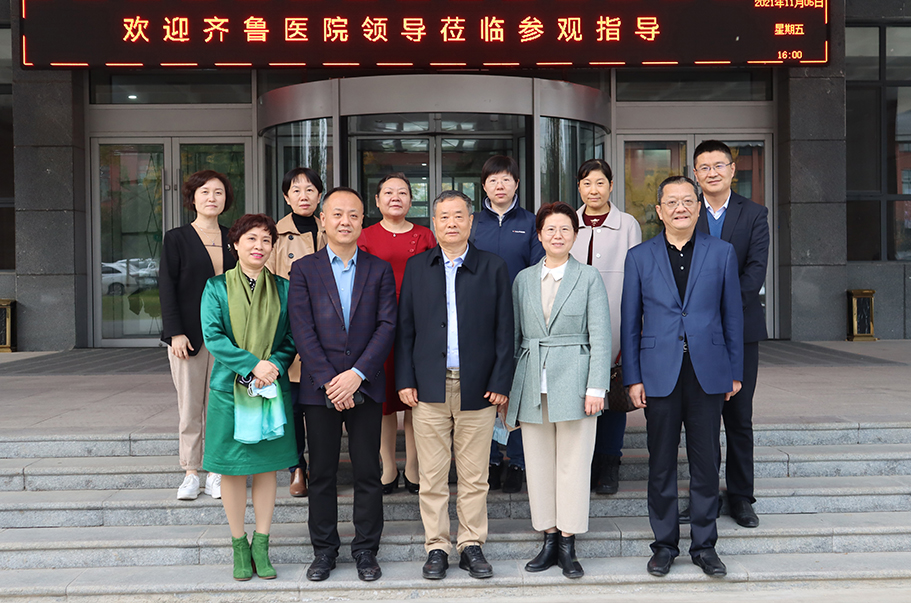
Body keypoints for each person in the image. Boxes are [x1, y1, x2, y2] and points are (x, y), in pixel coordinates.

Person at [621, 175, 743, 578]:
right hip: (659, 373)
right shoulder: (639, 257)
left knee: (707, 462)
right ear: (659, 210)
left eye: (688, 201)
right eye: (671, 202)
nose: (680, 208)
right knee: (661, 463)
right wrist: (633, 378)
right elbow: (630, 323)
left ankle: (705, 546)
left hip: (708, 372)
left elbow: (732, 316)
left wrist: (735, 371)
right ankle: (664, 545)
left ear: (698, 206)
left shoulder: (721, 252)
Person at [396, 189, 514, 581]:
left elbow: (505, 330)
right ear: (434, 223)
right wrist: (405, 379)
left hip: (477, 387)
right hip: (428, 387)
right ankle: (436, 546)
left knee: (474, 475)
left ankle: (471, 544)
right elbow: (405, 330)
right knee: (431, 475)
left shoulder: (493, 267)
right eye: (444, 216)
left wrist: (500, 380)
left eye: (459, 216)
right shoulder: (418, 267)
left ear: (471, 222)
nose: (451, 223)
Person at [288, 187, 397, 583]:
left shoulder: (379, 269)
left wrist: (357, 375)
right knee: (322, 474)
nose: (345, 221)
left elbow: (387, 325)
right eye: (336, 214)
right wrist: (331, 380)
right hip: (319, 389)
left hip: (365, 385)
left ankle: (366, 550)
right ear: (323, 220)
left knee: (368, 471)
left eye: (353, 214)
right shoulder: (304, 269)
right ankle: (325, 551)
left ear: (362, 220)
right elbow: (301, 328)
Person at [507, 202, 611, 579]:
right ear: (539, 235)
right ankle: (548, 537)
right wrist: (510, 389)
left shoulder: (589, 277)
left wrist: (596, 386)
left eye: (565, 229)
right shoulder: (523, 279)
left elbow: (601, 335)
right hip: (532, 380)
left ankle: (568, 542)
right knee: (538, 465)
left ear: (575, 235)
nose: (557, 235)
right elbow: (515, 336)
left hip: (576, 380)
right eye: (550, 229)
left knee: (574, 464)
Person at [200, 213, 298, 581]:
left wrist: (274, 364)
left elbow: (292, 337)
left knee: (267, 467)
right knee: (231, 469)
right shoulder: (216, 288)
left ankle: (262, 544)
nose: (259, 246)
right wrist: (252, 365)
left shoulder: (284, 288)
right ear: (236, 244)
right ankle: (239, 544)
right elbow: (213, 336)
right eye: (251, 239)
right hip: (230, 390)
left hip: (270, 388)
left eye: (266, 240)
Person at [692, 140, 770, 529]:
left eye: (718, 165)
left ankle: (741, 497)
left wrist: (721, 307)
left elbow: (755, 270)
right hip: (696, 332)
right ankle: (704, 494)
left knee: (739, 416)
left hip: (741, 328)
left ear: (732, 169)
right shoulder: (686, 211)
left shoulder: (754, 213)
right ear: (695, 174)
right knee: (703, 419)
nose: (712, 173)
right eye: (704, 167)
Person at [158, 170, 237, 501]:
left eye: (218, 192)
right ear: (192, 198)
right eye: (205, 192)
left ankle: (216, 471)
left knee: (220, 405)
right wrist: (174, 332)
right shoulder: (177, 238)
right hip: (188, 337)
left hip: (227, 337)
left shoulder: (234, 236)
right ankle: (191, 471)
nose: (211, 198)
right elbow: (166, 287)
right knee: (190, 407)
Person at [358, 173, 436, 495]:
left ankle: (414, 467)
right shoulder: (365, 236)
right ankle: (388, 467)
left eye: (402, 192)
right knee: (384, 401)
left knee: (416, 398)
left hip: (419, 324)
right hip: (378, 325)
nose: (395, 198)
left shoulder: (425, 235)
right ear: (377, 201)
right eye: (388, 192)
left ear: (411, 200)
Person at [470, 155, 544, 493]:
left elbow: (538, 270)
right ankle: (488, 459)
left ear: (516, 183)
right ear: (484, 185)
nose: (500, 186)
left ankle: (517, 460)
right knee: (484, 387)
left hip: (521, 317)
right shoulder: (473, 223)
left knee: (518, 388)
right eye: (493, 180)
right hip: (479, 319)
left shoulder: (531, 223)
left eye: (506, 179)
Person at [569, 159, 642, 495]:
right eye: (586, 183)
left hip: (616, 320)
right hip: (575, 325)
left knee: (612, 394)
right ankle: (584, 463)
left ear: (611, 186)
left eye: (600, 183)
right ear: (579, 187)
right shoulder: (569, 222)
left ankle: (610, 461)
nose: (593, 190)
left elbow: (636, 278)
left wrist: (633, 327)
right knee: (579, 394)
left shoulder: (627, 224)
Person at [265, 166, 327, 499]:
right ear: (286, 197)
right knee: (293, 408)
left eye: (310, 190)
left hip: (328, 332)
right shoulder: (274, 235)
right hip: (289, 332)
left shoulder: (331, 227)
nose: (304, 196)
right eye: (296, 190)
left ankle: (322, 465)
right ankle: (296, 467)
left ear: (319, 195)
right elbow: (267, 288)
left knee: (320, 406)